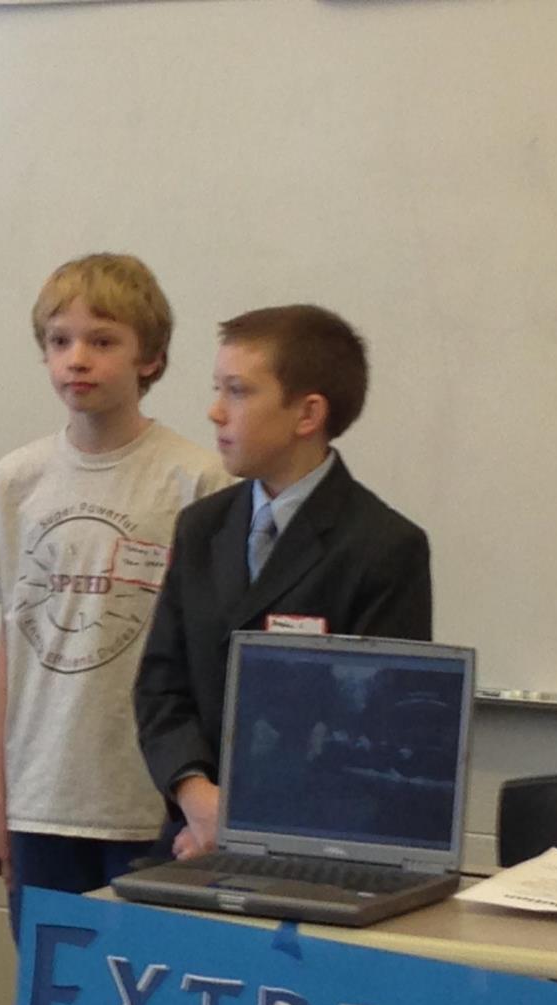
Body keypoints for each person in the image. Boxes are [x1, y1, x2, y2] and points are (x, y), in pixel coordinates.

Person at [0, 253, 230, 938]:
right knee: (53, 988)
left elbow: (212, 663)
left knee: (151, 983)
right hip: (40, 800)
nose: (77, 359)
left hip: (151, 803)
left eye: (103, 341)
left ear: (151, 357)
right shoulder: (16, 480)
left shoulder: (196, 480)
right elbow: (11, 646)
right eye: (60, 341)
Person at [136, 304, 432, 859]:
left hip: (318, 846)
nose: (215, 412)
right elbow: (160, 687)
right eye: (217, 389)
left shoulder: (384, 547)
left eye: (238, 392)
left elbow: (376, 728)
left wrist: (242, 827)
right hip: (191, 835)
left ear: (307, 414)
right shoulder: (202, 527)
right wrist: (198, 799)